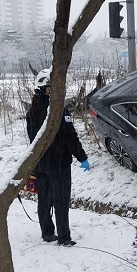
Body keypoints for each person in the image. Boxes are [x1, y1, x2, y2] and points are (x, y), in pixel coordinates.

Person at [25, 68, 90, 247]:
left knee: (44, 199)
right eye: (51, 86)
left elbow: (32, 139)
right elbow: (70, 136)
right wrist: (82, 157)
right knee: (61, 200)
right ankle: (63, 237)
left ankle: (47, 233)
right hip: (59, 164)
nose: (55, 89)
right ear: (46, 89)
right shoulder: (58, 109)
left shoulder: (32, 111)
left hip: (39, 164)